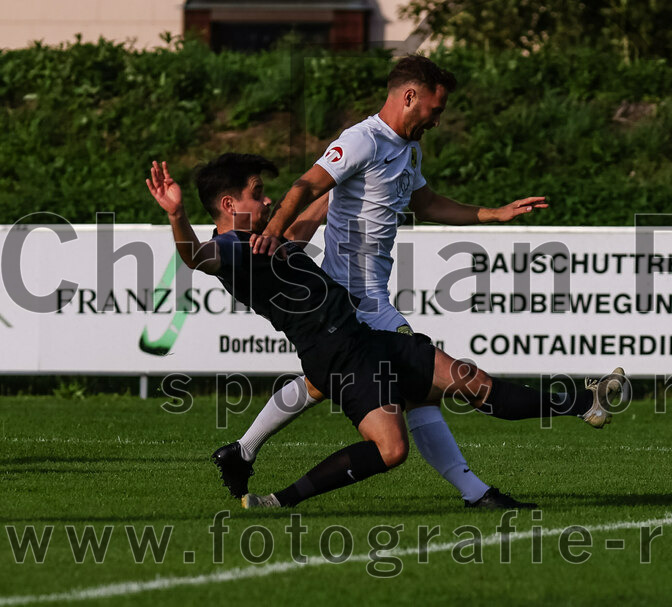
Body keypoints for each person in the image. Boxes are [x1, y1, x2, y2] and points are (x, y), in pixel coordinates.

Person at [146, 155, 625, 509]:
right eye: (257, 191)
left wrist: (354, 166)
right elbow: (194, 257)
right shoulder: (227, 248)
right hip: (336, 356)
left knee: (471, 381)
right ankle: (279, 500)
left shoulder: (269, 238)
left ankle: (585, 403)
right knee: (393, 450)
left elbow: (314, 209)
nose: (268, 197)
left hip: (364, 338)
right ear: (229, 204)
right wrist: (175, 215)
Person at [214, 55, 548, 509]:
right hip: (357, 302)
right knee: (425, 388)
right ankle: (478, 492)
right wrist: (272, 234)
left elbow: (426, 203)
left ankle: (242, 451)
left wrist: (492, 213)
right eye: (436, 106)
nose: (438, 117)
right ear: (411, 96)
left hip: (364, 297)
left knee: (322, 381)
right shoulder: (361, 139)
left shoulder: (408, 149)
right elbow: (307, 185)